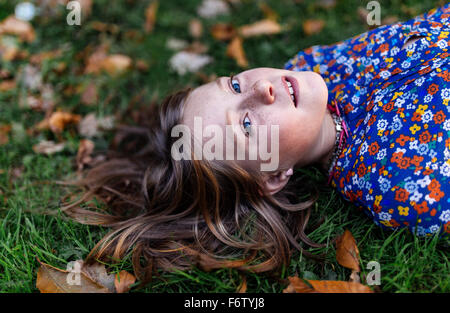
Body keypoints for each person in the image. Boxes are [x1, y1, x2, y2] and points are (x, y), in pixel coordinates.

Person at [62, 4, 450, 283]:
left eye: (232, 84)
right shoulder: (399, 184)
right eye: (246, 124)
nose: (262, 87)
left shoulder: (317, 63)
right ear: (272, 178)